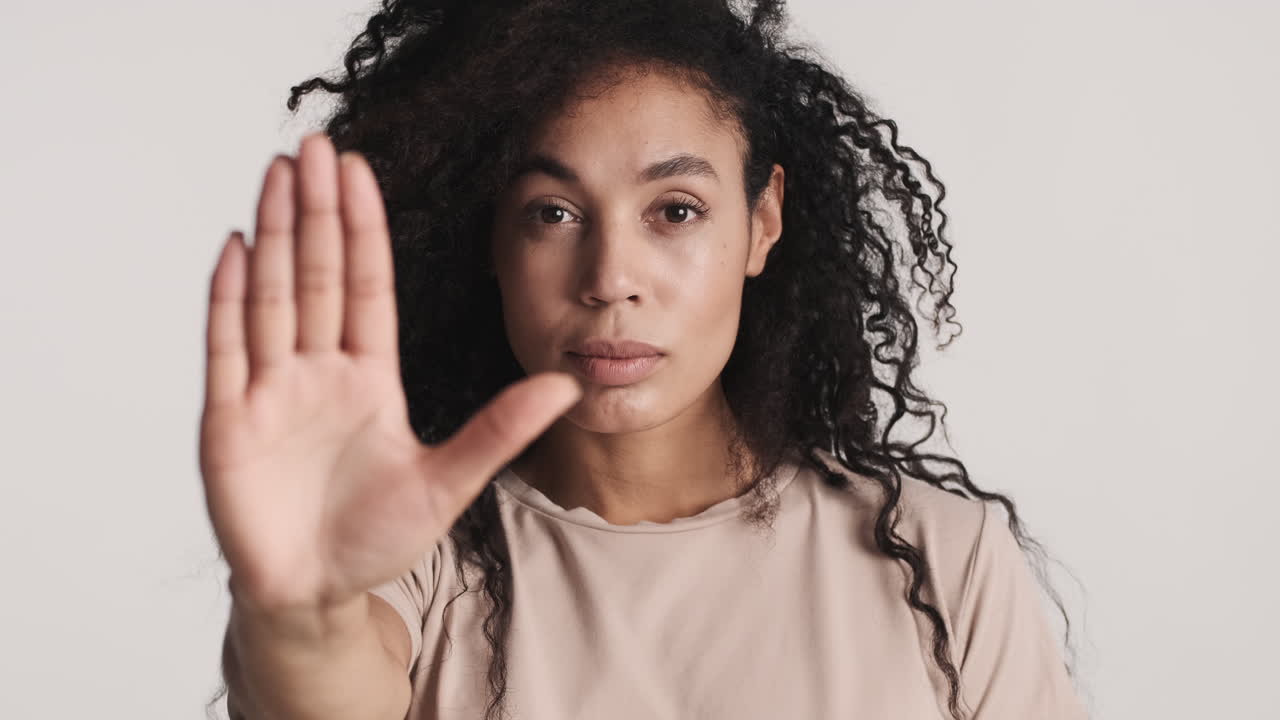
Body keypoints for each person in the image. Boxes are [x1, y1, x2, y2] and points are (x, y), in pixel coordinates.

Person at [199, 1, 1091, 718]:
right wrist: (299, 618)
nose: (610, 279)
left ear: (764, 220)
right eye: (552, 211)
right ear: (490, 241)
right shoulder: (412, 557)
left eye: (675, 210)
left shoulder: (940, 559)